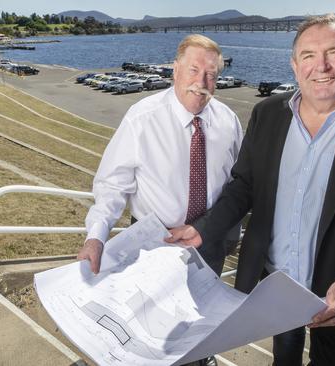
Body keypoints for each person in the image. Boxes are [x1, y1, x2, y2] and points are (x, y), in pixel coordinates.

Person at [166, 14, 335, 366]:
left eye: (334, 52)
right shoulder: (268, 113)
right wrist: (203, 228)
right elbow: (244, 185)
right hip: (276, 286)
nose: (321, 66)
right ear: (294, 64)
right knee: (283, 357)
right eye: (308, 55)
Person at [79, 34, 243, 366]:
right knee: (150, 324)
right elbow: (112, 186)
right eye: (194, 70)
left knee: (200, 318)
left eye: (211, 74)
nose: (202, 82)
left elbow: (238, 182)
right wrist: (96, 235)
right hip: (155, 242)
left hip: (207, 241)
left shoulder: (228, 121)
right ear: (175, 70)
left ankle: (200, 357)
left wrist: (230, 231)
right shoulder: (143, 118)